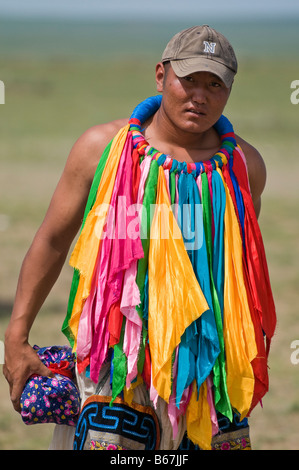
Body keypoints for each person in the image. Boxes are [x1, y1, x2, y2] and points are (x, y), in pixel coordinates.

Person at [4, 25, 276, 450]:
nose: (200, 96)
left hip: (207, 375)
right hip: (116, 372)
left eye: (215, 84)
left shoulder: (242, 166)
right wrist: (16, 336)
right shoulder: (102, 149)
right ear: (160, 75)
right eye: (189, 81)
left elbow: (236, 272)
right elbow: (53, 241)